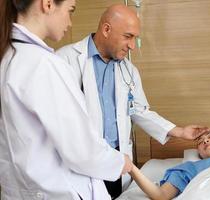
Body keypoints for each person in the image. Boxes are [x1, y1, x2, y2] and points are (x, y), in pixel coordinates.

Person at [56, 4, 210, 199]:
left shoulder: (128, 70)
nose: (132, 45)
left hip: (116, 158)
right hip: (80, 159)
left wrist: (179, 131)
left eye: (135, 38)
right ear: (106, 29)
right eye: (128, 36)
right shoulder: (64, 61)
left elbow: (139, 110)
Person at [0, 0, 133, 199]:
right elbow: (82, 152)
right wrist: (120, 162)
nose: (70, 22)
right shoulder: (45, 65)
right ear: (47, 4)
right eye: (70, 11)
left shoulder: (9, 58)